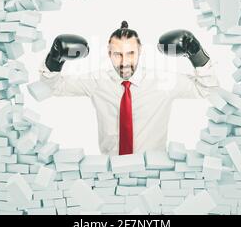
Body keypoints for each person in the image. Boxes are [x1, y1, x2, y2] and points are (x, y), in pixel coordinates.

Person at [38, 21, 220, 155]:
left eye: (130, 53)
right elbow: (51, 87)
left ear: (140, 51)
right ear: (109, 53)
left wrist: (196, 54)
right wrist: (54, 59)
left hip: (154, 173)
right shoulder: (97, 81)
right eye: (117, 54)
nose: (124, 62)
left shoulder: (163, 81)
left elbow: (207, 89)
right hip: (110, 173)